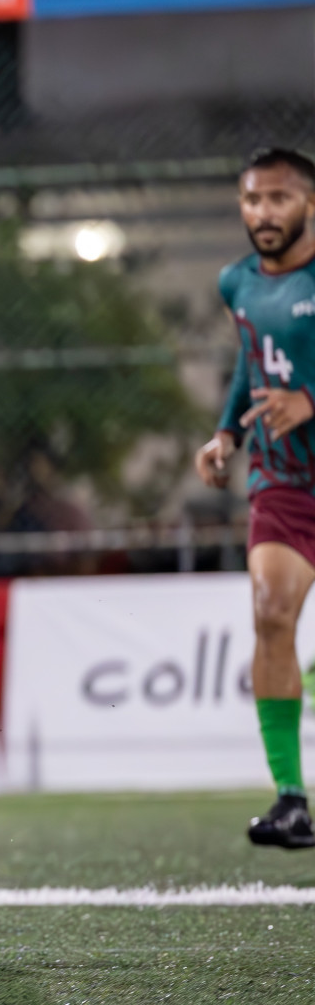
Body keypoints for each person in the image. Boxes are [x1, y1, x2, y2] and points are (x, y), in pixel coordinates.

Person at [195, 147, 315, 850]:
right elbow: (250, 357)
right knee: (272, 617)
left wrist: (310, 399)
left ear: (308, 204)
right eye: (251, 200)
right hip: (283, 482)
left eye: (278, 198)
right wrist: (224, 434)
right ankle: (292, 800)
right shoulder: (236, 281)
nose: (262, 213)